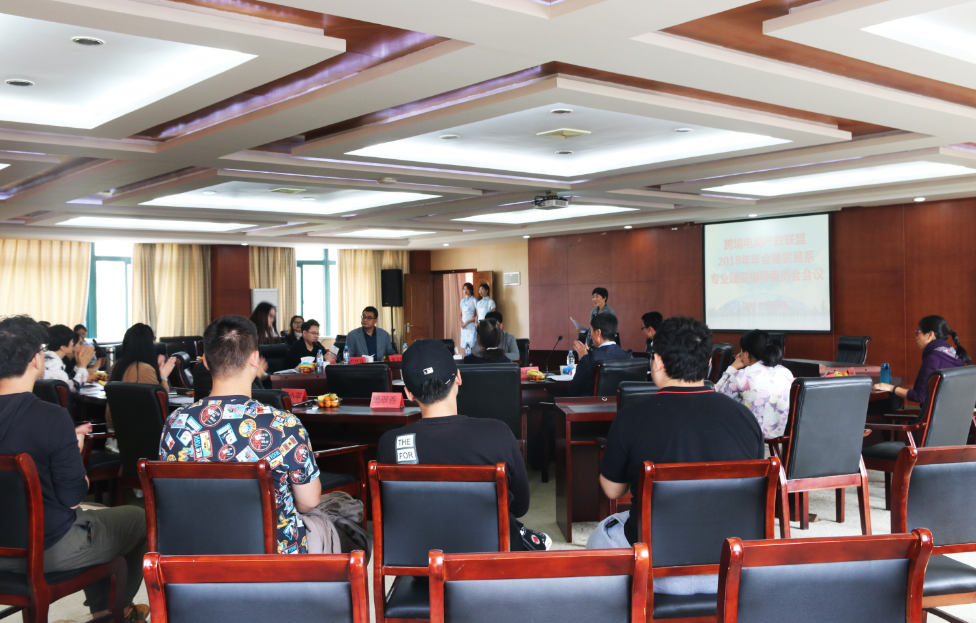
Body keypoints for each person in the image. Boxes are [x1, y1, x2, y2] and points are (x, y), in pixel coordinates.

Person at [587, 316, 764, 596]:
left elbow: (612, 490)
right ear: (709, 363)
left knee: (600, 535)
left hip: (654, 570)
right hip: (731, 569)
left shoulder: (632, 417)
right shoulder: (745, 418)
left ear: (657, 361)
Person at [0, 316, 148, 622]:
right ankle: (115, 613)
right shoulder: (49, 417)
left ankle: (108, 609)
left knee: (100, 521)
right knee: (139, 519)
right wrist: (75, 454)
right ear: (36, 360)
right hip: (46, 549)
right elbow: (72, 498)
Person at [159, 315, 322, 554]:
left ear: (206, 362)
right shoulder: (283, 425)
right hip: (272, 562)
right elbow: (309, 502)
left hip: (194, 557)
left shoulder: (175, 423)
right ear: (255, 359)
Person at [376, 340, 550, 550]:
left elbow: (392, 512)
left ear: (409, 393)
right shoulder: (498, 433)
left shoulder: (389, 443)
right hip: (489, 557)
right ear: (458, 377)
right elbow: (520, 506)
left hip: (418, 558)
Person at [874, 315, 971, 405]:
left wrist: (890, 388)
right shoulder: (954, 354)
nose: (916, 337)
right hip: (955, 414)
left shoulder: (932, 359)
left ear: (930, 335)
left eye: (918, 332)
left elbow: (920, 397)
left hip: (934, 417)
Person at [715, 329, 795, 438]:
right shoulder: (785, 372)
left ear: (746, 354)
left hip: (752, 434)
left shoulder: (742, 375)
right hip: (783, 432)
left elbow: (717, 399)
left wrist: (732, 368)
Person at [105, 324, 177, 429]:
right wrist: (163, 376)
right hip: (142, 432)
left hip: (117, 432)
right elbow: (160, 402)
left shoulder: (116, 365)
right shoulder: (144, 369)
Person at [568, 313, 631, 397]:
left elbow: (573, 390)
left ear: (598, 333)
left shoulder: (589, 358)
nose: (590, 335)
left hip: (592, 404)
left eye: (591, 331)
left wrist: (583, 360)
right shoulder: (628, 356)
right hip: (621, 404)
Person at [43, 325, 94, 392]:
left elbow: (69, 379)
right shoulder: (53, 364)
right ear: (63, 347)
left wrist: (79, 366)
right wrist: (83, 365)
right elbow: (74, 388)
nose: (73, 344)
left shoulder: (47, 358)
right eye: (71, 341)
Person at [459, 282, 477, 352]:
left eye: (467, 289)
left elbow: (477, 315)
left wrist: (467, 322)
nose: (465, 291)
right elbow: (460, 314)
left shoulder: (474, 300)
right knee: (466, 346)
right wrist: (461, 323)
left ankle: (472, 357)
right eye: (464, 289)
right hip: (464, 326)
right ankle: (467, 357)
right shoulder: (462, 301)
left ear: (471, 290)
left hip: (471, 325)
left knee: (471, 345)